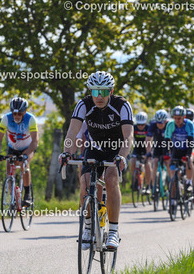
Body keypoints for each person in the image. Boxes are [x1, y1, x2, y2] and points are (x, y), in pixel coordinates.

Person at [60, 71, 133, 251]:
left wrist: (122, 156)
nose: (99, 96)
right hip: (95, 148)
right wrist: (66, 153)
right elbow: (72, 132)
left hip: (116, 150)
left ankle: (113, 230)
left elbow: (128, 136)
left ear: (111, 91)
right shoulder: (83, 104)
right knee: (85, 182)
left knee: (111, 178)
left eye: (104, 91)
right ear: (90, 91)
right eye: (95, 92)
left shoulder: (122, 105)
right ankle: (87, 228)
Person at [0, 97, 38, 206]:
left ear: (24, 112)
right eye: (14, 114)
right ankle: (12, 197)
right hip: (13, 148)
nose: (16, 116)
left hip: (27, 148)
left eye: (19, 114)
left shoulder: (30, 119)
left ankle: (27, 195)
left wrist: (25, 155)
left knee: (24, 165)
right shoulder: (6, 119)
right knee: (9, 168)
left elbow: (35, 141)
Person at [164, 106, 194, 195]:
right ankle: (174, 196)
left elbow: (191, 141)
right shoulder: (170, 124)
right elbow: (167, 140)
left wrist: (188, 154)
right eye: (175, 118)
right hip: (176, 149)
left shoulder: (189, 124)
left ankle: (189, 182)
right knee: (173, 173)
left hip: (188, 147)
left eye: (179, 118)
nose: (177, 120)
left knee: (189, 161)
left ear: (184, 117)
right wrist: (166, 153)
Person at [145, 109, 169, 194]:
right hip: (157, 146)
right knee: (154, 162)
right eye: (158, 123)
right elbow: (148, 140)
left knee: (168, 163)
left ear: (165, 121)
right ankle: (154, 186)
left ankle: (170, 183)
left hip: (168, 146)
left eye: (161, 123)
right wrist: (148, 152)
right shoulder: (153, 125)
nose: (160, 125)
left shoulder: (169, 125)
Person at [129, 112, 150, 194]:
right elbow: (130, 139)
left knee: (147, 165)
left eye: (142, 124)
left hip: (146, 149)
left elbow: (152, 140)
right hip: (137, 149)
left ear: (145, 123)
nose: (140, 126)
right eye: (139, 124)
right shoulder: (134, 128)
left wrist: (148, 153)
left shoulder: (148, 128)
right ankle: (135, 180)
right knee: (132, 162)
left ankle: (148, 185)